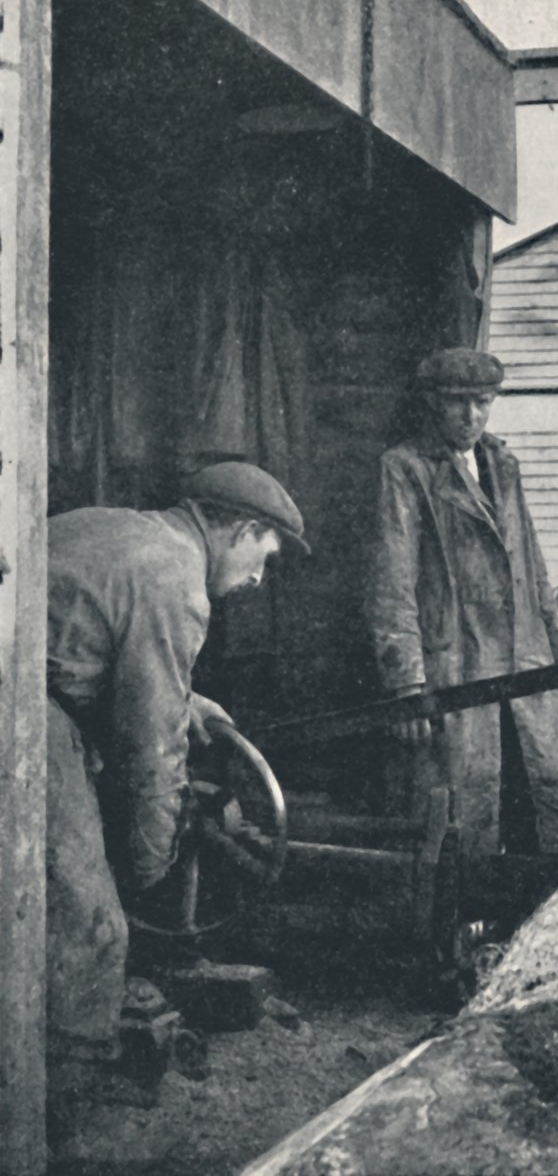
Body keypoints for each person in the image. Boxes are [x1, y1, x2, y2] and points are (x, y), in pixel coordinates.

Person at [46, 461, 308, 1103]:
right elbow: (152, 750)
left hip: (27, 682)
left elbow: (90, 642)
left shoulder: (120, 528)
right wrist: (149, 861)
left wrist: (187, 701)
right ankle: (71, 1088)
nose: (257, 577)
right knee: (90, 921)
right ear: (240, 531)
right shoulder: (179, 583)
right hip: (21, 708)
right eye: (263, 556)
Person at [368, 349, 558, 889]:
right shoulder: (406, 468)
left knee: (549, 811)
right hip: (460, 668)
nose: (471, 416)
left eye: (482, 403)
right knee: (467, 828)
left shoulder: (503, 465)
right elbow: (392, 583)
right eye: (457, 403)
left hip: (527, 667)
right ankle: (469, 929)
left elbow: (533, 567)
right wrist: (406, 685)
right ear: (432, 403)